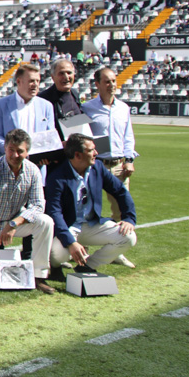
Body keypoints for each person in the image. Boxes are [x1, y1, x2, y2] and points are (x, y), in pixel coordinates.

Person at [0, 129, 56, 292]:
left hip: (14, 223)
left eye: (20, 151)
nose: (15, 155)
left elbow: (38, 205)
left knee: (46, 222)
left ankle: (38, 276)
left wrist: (14, 224)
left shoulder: (33, 171)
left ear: (27, 152)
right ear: (5, 148)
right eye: (11, 150)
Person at [45, 134, 138, 276]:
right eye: (91, 150)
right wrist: (71, 243)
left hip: (91, 224)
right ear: (78, 155)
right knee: (59, 255)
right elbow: (54, 212)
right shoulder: (57, 175)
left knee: (128, 237)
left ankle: (87, 266)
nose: (96, 153)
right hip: (68, 226)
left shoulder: (98, 167)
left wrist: (129, 218)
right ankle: (54, 267)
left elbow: (120, 191)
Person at [82, 67, 138, 270]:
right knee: (87, 209)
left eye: (114, 81)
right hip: (95, 166)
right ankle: (81, 251)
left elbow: (128, 136)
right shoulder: (86, 108)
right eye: (107, 81)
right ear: (97, 84)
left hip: (118, 165)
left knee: (121, 211)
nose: (112, 85)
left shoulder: (124, 108)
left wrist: (130, 159)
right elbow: (78, 134)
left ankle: (117, 252)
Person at [0, 63, 56, 156]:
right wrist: (11, 152)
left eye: (38, 81)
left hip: (37, 164)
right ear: (19, 81)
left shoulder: (47, 106)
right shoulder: (0, 104)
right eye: (31, 81)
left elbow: (50, 136)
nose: (35, 84)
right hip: (7, 162)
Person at [38, 59, 83, 124]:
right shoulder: (43, 99)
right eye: (61, 73)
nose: (66, 77)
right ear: (53, 77)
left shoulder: (75, 94)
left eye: (69, 73)